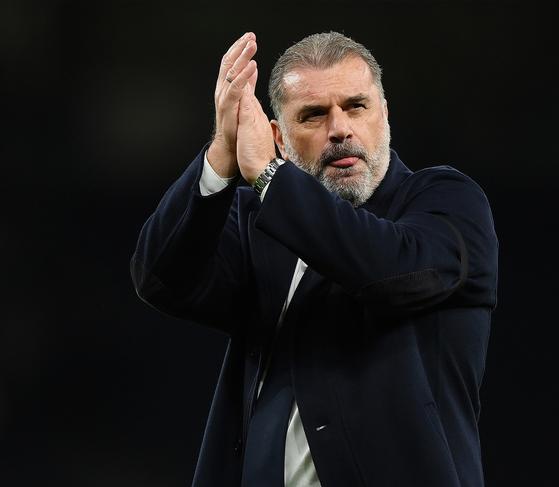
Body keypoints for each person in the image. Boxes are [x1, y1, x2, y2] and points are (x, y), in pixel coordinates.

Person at [131, 31, 498, 487]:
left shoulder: (444, 201)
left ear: (384, 116)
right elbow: (161, 278)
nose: (340, 128)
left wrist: (270, 177)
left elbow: (390, 272)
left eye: (356, 106)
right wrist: (222, 152)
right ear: (278, 139)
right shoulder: (257, 225)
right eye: (313, 115)